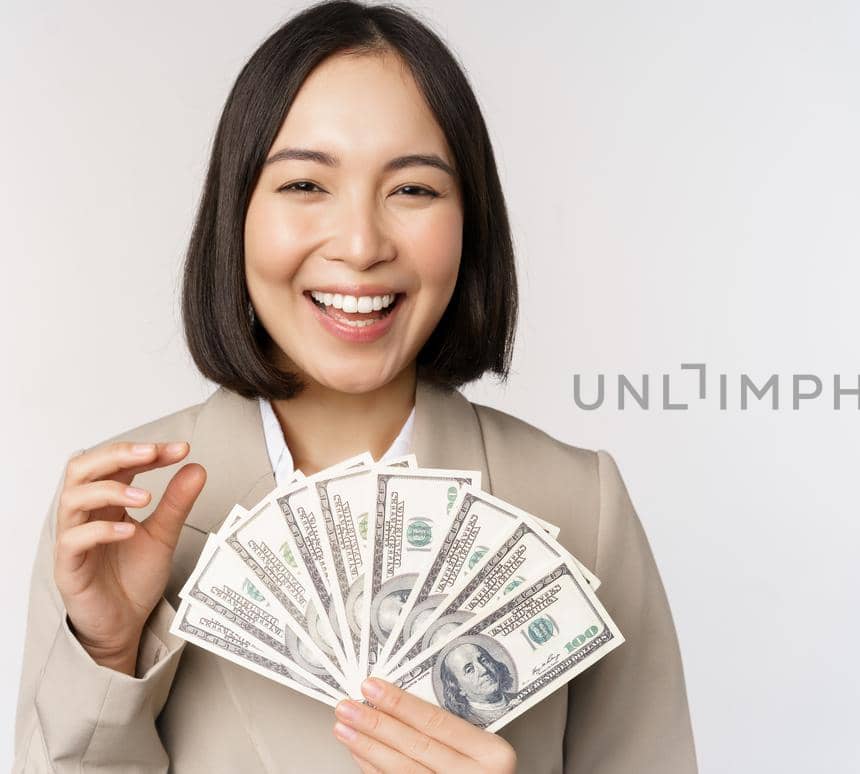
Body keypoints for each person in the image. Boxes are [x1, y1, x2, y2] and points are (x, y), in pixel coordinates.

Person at [10, 2, 698, 772]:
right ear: (236, 213)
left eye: (413, 191)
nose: (362, 246)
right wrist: (105, 651)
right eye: (306, 185)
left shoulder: (579, 504)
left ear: (471, 224)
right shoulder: (118, 510)